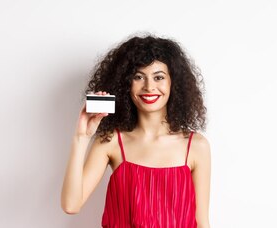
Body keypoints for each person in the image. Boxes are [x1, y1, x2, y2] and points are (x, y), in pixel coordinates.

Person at [60, 34, 211, 228]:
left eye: (159, 77)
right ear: (125, 84)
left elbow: (202, 222)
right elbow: (71, 205)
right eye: (138, 77)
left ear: (174, 83)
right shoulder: (111, 141)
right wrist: (81, 138)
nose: (149, 87)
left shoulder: (196, 146)